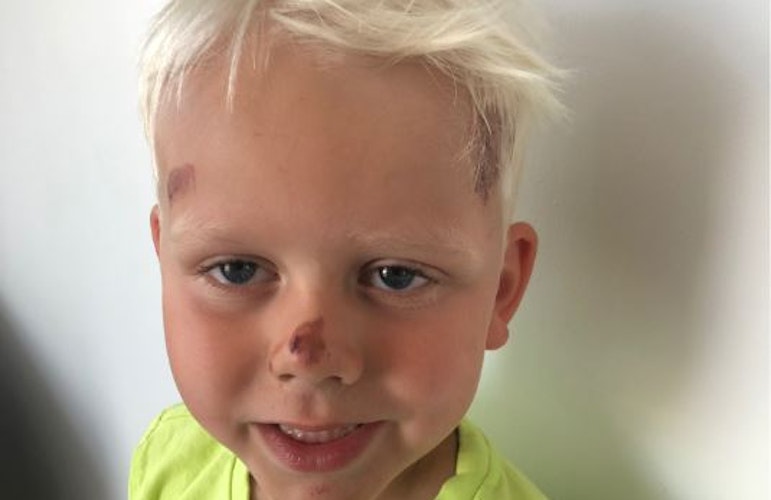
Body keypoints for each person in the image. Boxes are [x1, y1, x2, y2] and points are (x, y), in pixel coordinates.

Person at [130, 1, 562, 498]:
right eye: (237, 270)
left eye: (396, 276)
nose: (308, 358)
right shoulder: (169, 459)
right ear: (164, 262)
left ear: (501, 290)